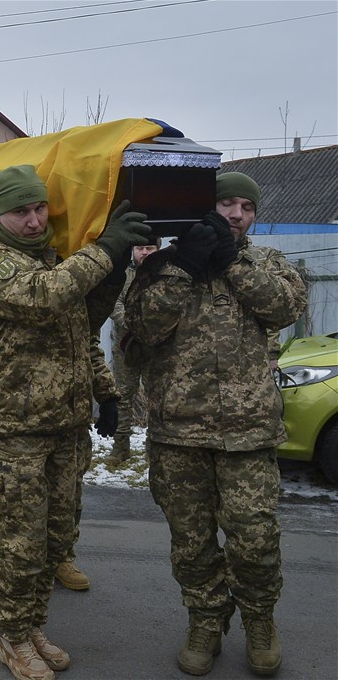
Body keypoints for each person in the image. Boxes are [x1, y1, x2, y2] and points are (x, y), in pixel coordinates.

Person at [0, 164, 151, 680]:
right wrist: (103, 249)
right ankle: (11, 635)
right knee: (24, 539)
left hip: (63, 420)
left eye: (41, 208)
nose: (36, 219)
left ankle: (31, 622)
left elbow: (82, 316)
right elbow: (44, 296)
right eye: (22, 211)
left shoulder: (48, 256)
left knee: (56, 535)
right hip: (14, 425)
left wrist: (114, 267)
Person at [124, 172, 307, 677]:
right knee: (192, 543)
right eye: (226, 203)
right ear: (208, 207)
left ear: (254, 215)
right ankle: (205, 622)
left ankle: (259, 622)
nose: (235, 214)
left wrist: (228, 261)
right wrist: (184, 266)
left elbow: (284, 308)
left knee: (255, 540)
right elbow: (141, 329)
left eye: (246, 207)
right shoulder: (163, 266)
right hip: (179, 434)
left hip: (247, 434)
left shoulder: (269, 265)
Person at [55, 336, 119, 592]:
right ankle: (25, 563)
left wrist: (107, 395)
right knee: (25, 500)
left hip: (71, 415)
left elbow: (88, 344)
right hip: (22, 416)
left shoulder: (77, 300)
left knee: (69, 493)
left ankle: (62, 558)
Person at [107, 237, 160, 463]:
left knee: (157, 398)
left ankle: (154, 449)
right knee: (122, 397)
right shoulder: (122, 276)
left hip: (156, 349)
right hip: (125, 347)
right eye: (140, 248)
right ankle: (121, 448)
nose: (145, 253)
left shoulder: (165, 277)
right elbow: (113, 303)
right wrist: (132, 322)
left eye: (150, 248)